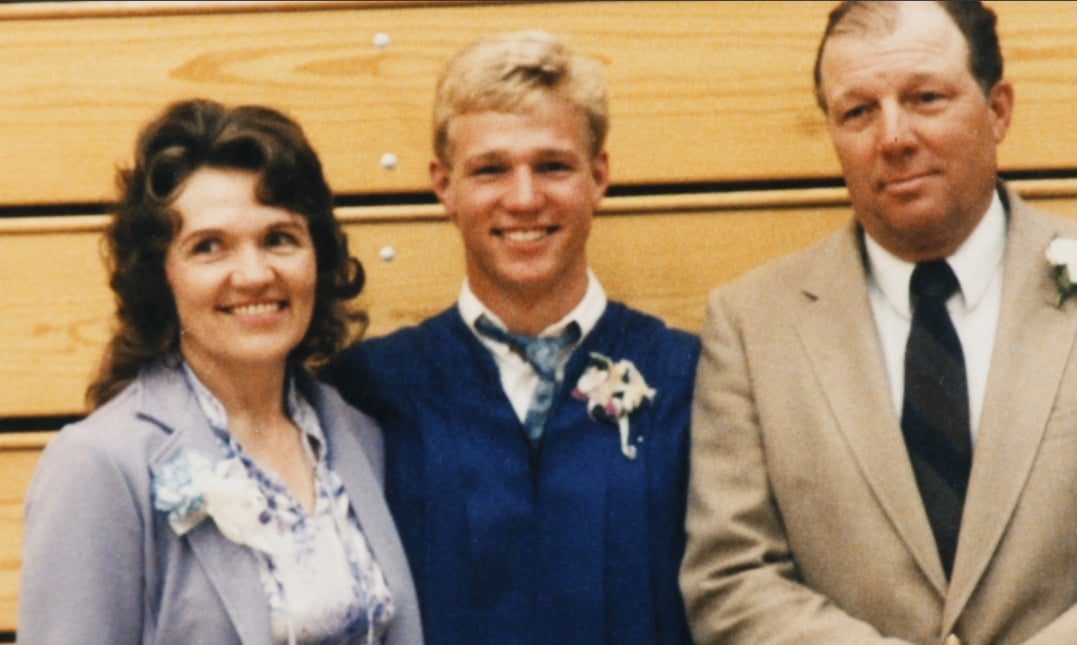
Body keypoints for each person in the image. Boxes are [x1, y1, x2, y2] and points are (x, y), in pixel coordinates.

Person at [680, 1, 1077, 643]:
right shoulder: (751, 325)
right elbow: (731, 579)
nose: (893, 137)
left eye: (925, 98)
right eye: (858, 111)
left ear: (998, 110)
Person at [323, 30, 698, 645]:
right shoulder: (370, 390)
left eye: (553, 166)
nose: (524, 198)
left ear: (599, 176)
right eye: (490, 170)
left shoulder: (689, 380)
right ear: (443, 185)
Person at [19, 98, 424, 644]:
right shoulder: (101, 465)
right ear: (161, 277)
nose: (254, 274)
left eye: (279, 238)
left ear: (318, 256)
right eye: (210, 247)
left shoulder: (358, 436)